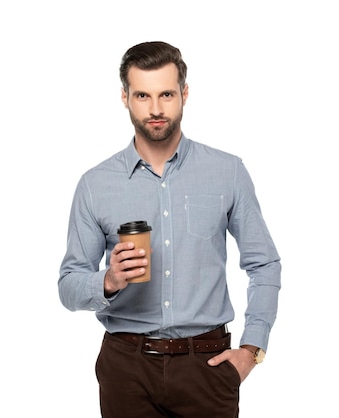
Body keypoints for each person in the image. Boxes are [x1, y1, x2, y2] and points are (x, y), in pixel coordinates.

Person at [58, 41, 281, 417]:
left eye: (166, 94)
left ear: (185, 94)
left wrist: (251, 349)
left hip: (207, 366)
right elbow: (68, 284)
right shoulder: (95, 184)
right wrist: (108, 281)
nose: (156, 109)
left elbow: (264, 264)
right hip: (125, 367)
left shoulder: (227, 171)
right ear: (125, 97)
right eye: (143, 95)